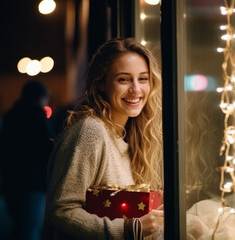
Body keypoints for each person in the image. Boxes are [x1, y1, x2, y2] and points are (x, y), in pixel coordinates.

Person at [42, 38, 164, 240]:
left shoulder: (128, 135)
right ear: (101, 84)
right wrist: (130, 229)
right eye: (123, 79)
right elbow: (61, 212)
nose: (135, 89)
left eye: (143, 79)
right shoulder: (90, 132)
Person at [0, 80, 55, 240]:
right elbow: (48, 148)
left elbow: (1, 148)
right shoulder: (38, 116)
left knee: (17, 225)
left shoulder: (10, 115)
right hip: (34, 181)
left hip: (11, 179)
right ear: (40, 97)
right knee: (31, 227)